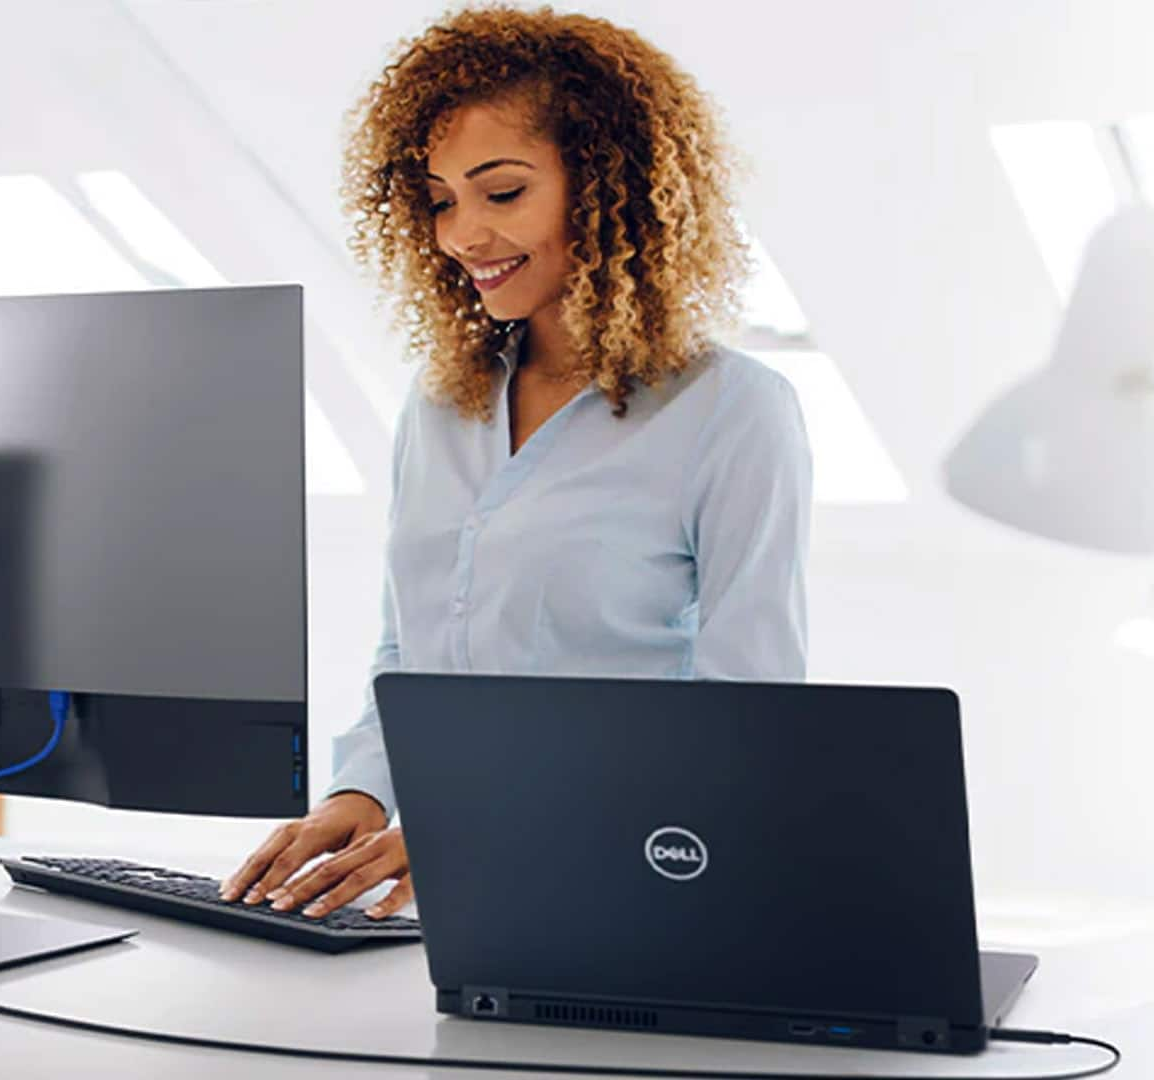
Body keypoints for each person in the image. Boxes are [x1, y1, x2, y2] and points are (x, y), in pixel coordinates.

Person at [220, 5, 811, 921]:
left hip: (627, 887)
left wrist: (487, 822)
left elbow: (744, 722)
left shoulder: (733, 411)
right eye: (442, 200)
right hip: (433, 895)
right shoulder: (440, 405)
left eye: (501, 193)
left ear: (612, 182)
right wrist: (359, 796)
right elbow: (406, 651)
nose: (462, 235)